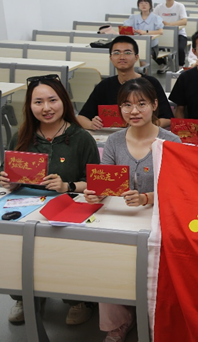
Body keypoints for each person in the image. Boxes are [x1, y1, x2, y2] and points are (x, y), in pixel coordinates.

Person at [83, 78, 180, 342]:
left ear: (155, 105)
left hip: (158, 219)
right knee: (107, 258)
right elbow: (106, 181)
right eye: (126, 105)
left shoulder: (171, 141)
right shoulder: (114, 140)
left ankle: (157, 318)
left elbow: (179, 189)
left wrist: (147, 197)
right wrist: (97, 191)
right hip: (121, 218)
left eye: (141, 104)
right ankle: (118, 322)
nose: (134, 111)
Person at [1, 75, 99, 326]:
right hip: (26, 208)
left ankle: (76, 299)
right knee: (14, 246)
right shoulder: (22, 136)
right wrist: (9, 181)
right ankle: (24, 296)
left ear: (63, 101)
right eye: (38, 102)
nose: (46, 108)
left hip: (67, 208)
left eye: (52, 100)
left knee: (64, 252)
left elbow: (94, 182)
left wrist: (67, 186)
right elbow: (9, 173)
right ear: (29, 105)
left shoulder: (82, 138)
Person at [78, 36, 173, 129]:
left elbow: (168, 118)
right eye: (116, 53)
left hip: (144, 134)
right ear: (111, 58)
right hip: (111, 135)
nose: (122, 57)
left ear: (136, 57)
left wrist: (146, 125)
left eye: (127, 53)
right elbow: (81, 117)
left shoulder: (150, 83)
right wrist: (91, 124)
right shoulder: (104, 86)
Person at [153, 0, 188, 67]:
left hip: (179, 34)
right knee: (151, 48)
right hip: (162, 35)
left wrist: (169, 24)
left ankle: (181, 66)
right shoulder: (159, 7)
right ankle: (163, 64)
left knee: (180, 48)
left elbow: (184, 21)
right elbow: (153, 20)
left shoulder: (180, 6)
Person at [123, 0, 164, 65]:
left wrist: (145, 32)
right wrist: (131, 30)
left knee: (142, 58)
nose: (143, 5)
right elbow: (125, 29)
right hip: (135, 46)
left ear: (150, 5)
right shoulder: (134, 17)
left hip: (151, 47)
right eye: (141, 3)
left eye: (146, 3)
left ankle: (144, 72)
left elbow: (161, 31)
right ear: (138, 5)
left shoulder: (156, 18)